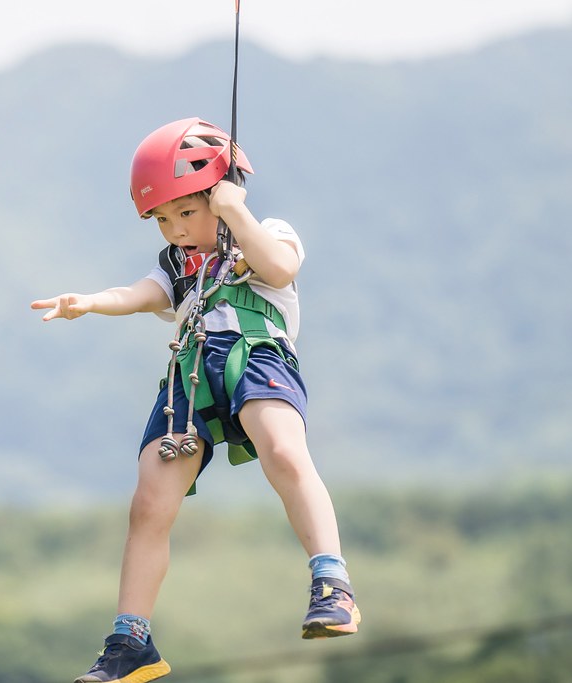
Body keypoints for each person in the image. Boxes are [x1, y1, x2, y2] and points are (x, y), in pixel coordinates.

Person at [30, 118, 361, 683]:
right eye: (162, 219)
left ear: (222, 192)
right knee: (149, 502)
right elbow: (140, 294)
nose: (175, 229)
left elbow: (279, 267)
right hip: (189, 380)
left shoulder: (266, 232)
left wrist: (235, 211)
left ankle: (332, 582)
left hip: (255, 359)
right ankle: (130, 640)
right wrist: (88, 301)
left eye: (187, 212)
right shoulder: (176, 266)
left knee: (283, 451)